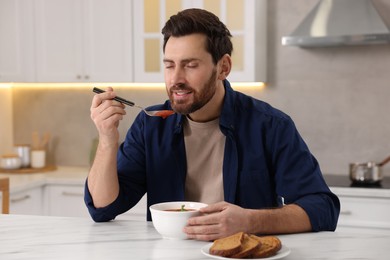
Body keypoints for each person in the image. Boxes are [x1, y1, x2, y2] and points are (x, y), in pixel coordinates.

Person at [85, 8, 340, 241]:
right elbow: (104, 207)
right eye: (169, 65)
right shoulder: (150, 125)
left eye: (190, 65)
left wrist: (250, 221)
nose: (176, 79)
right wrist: (107, 140)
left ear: (223, 67)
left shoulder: (270, 126)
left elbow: (322, 208)